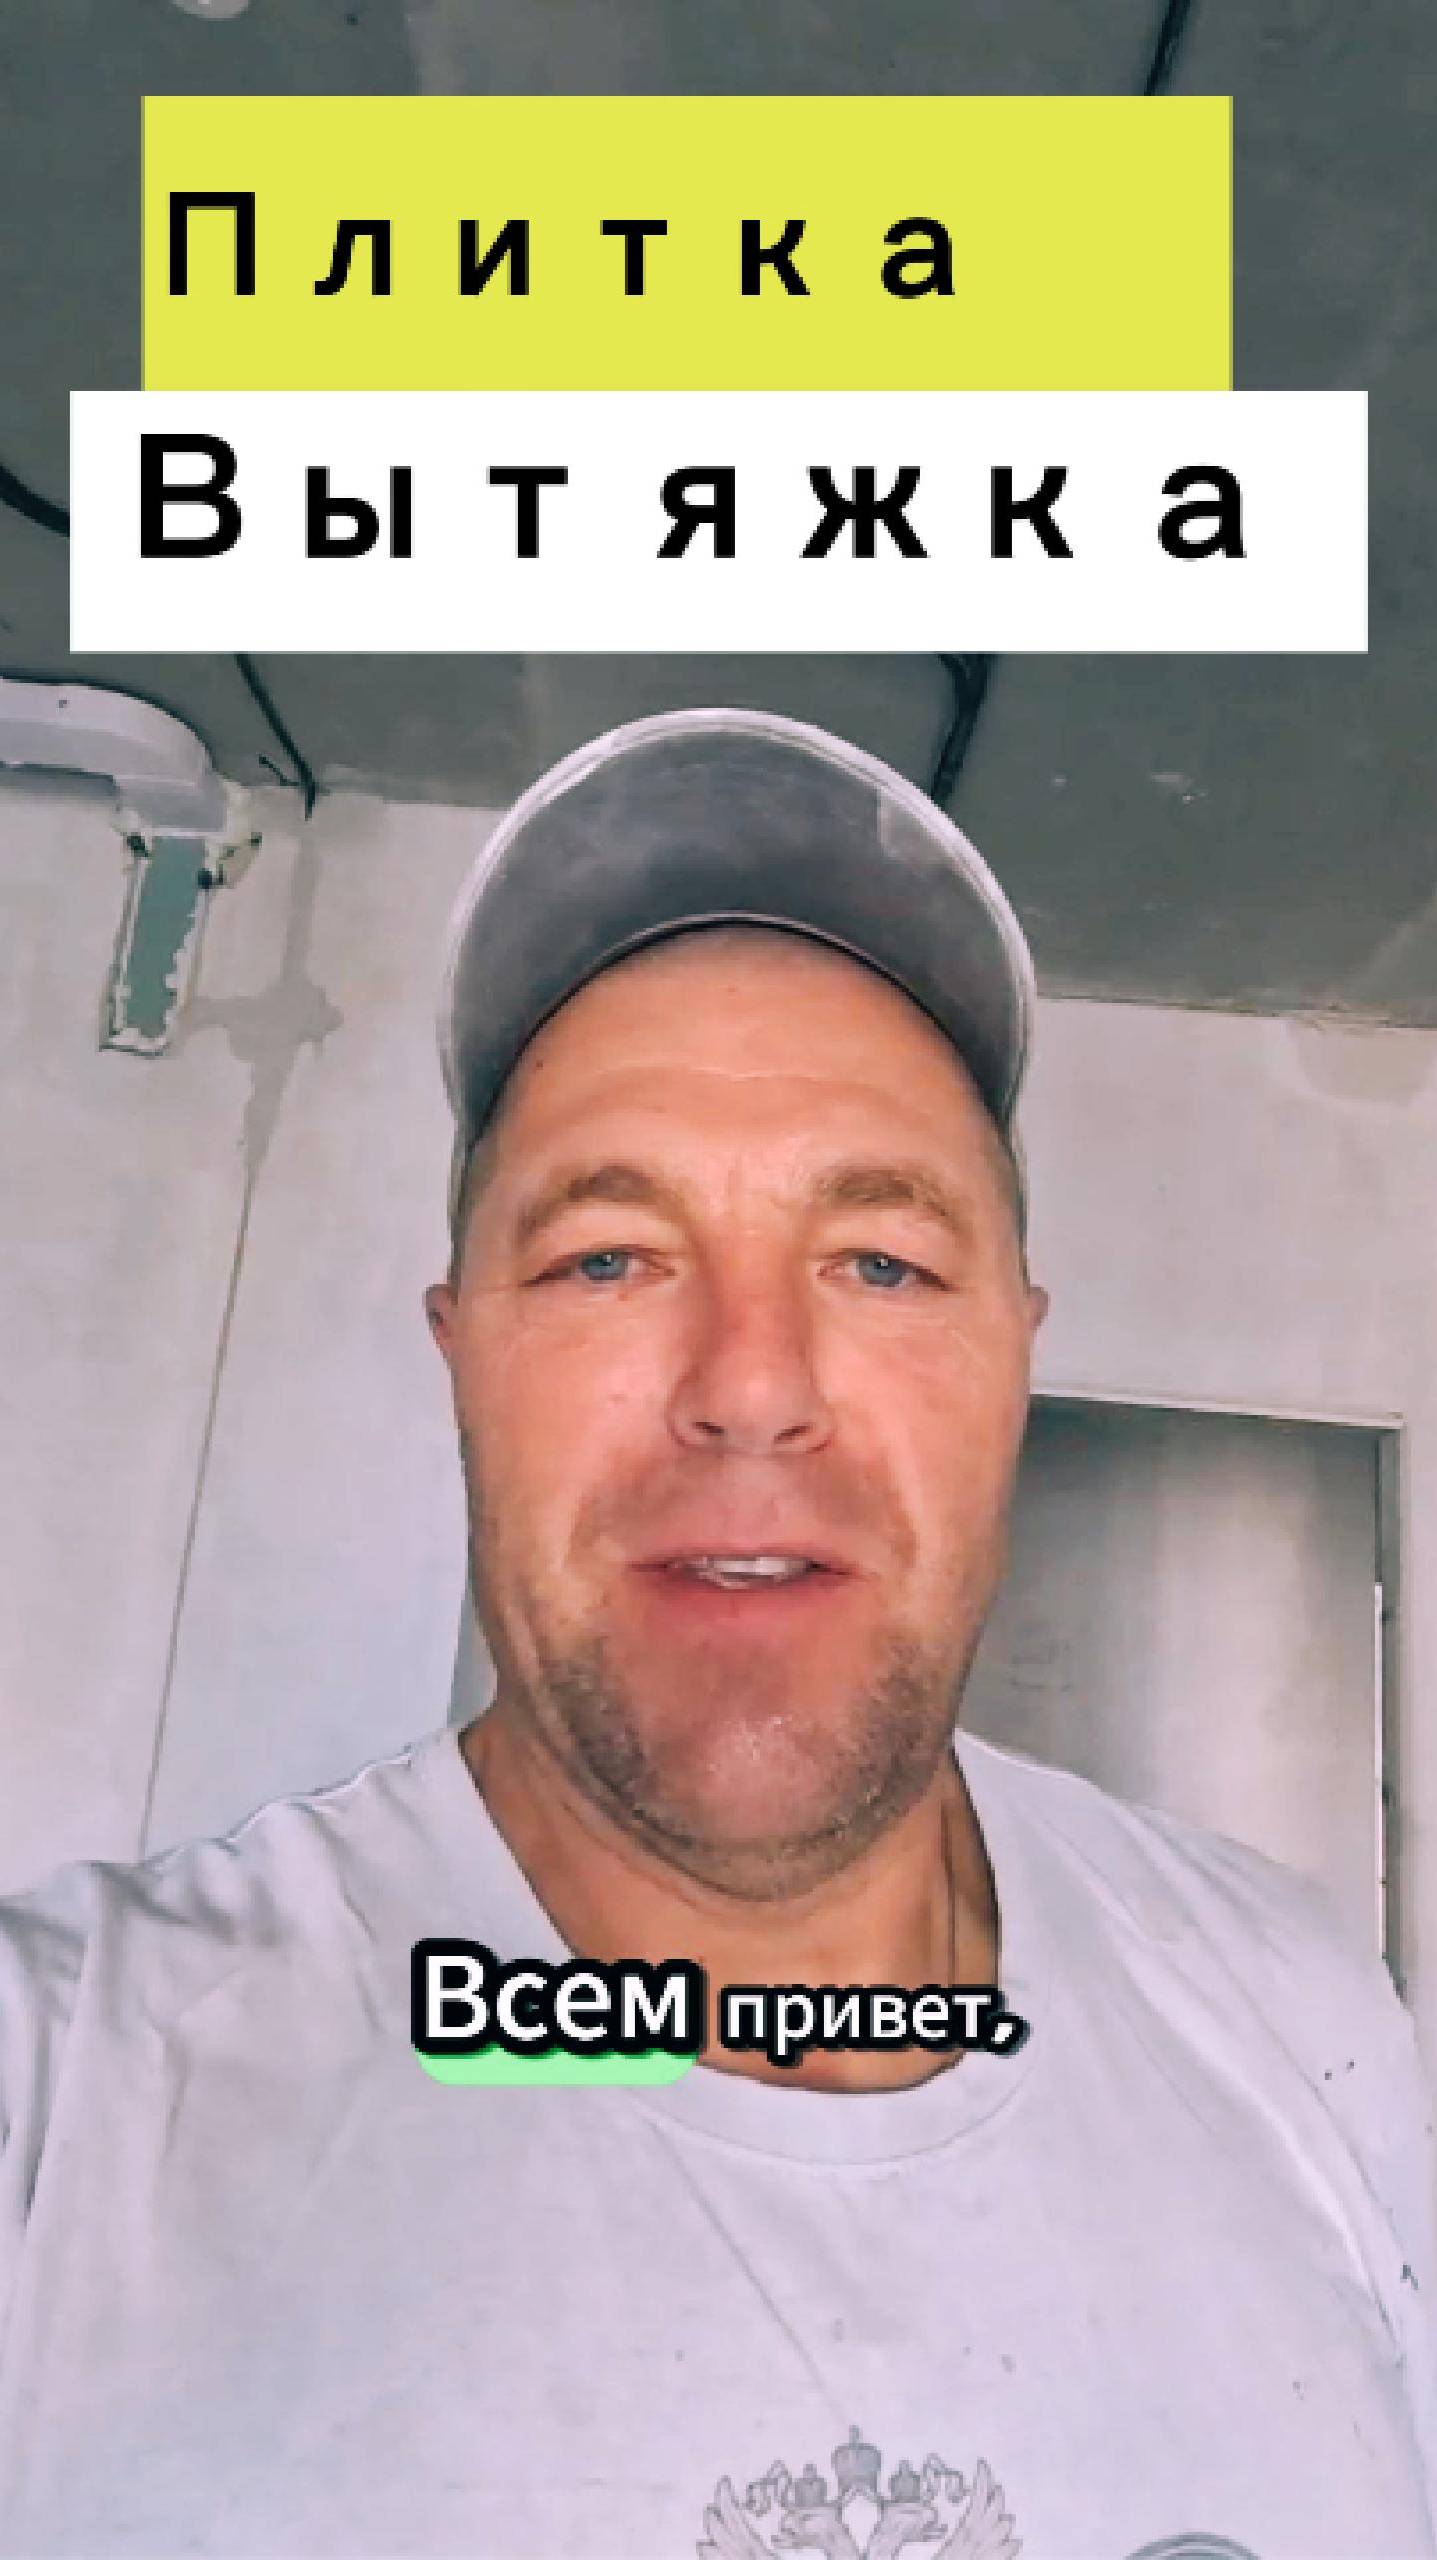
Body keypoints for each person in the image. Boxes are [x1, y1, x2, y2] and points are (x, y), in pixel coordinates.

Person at [0, 707, 1432, 2560]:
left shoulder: (1309, 2022)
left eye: (882, 1265)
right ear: (462, 1357)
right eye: (606, 1258)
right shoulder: (72, 2102)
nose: (751, 1386)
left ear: (1012, 1357)